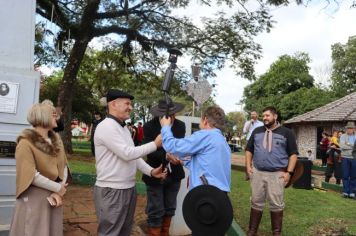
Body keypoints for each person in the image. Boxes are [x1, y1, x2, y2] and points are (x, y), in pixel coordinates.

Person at [93, 89, 167, 236]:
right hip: (112, 190)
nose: (131, 107)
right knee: (110, 232)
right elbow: (127, 154)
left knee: (124, 231)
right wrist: (155, 144)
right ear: (114, 104)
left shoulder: (123, 128)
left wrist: (151, 171)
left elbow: (133, 155)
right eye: (127, 103)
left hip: (128, 188)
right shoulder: (106, 126)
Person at [160, 106, 231, 235]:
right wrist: (183, 161)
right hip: (220, 197)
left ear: (205, 120)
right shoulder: (222, 141)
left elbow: (173, 146)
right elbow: (205, 164)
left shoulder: (205, 135)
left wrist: (165, 126)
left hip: (206, 196)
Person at [9, 103, 70, 236]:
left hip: (54, 196)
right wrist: (58, 188)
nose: (56, 116)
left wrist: (59, 190)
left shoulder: (56, 140)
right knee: (33, 230)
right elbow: (31, 174)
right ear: (42, 117)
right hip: (34, 198)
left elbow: (63, 165)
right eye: (53, 114)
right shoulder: (25, 143)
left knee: (51, 229)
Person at [245, 106, 298, 236]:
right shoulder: (257, 131)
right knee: (256, 201)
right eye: (264, 116)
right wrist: (248, 167)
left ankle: (276, 233)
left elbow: (293, 154)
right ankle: (252, 231)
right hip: (258, 173)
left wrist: (289, 173)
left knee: (276, 204)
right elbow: (249, 150)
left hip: (277, 174)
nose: (265, 118)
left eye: (267, 115)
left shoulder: (287, 133)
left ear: (275, 116)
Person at [142, 99, 186, 236]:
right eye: (167, 114)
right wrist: (165, 156)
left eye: (172, 114)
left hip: (174, 174)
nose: (170, 117)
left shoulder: (180, 126)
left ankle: (165, 232)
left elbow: (179, 147)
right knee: (155, 210)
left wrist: (177, 156)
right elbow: (147, 150)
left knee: (170, 208)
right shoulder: (149, 126)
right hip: (155, 172)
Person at [340, 121, 356, 198]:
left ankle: (352, 192)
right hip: (345, 157)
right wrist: (353, 146)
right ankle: (345, 191)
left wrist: (348, 144)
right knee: (345, 175)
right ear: (346, 129)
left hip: (354, 158)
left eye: (351, 128)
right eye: (348, 128)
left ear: (354, 129)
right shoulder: (343, 136)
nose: (349, 129)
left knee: (353, 176)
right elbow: (342, 147)